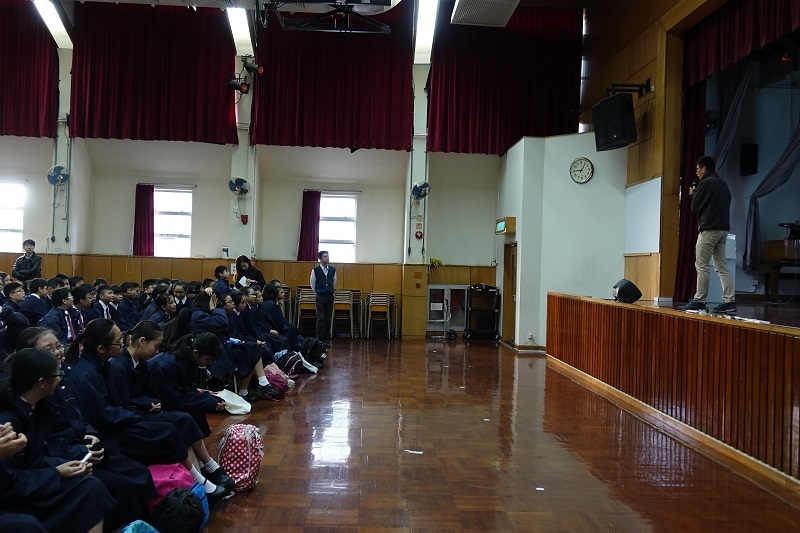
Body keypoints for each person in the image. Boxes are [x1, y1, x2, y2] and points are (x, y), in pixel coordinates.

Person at [15, 328, 157, 529]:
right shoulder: (33, 399)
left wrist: (89, 434)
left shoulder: (63, 377)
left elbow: (79, 416)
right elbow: (44, 447)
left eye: (58, 346)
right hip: (62, 460)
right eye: (49, 349)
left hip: (82, 447)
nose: (58, 352)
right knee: (116, 487)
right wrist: (78, 453)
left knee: (139, 473)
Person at [0, 348, 115, 533]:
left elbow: (38, 455)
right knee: (91, 489)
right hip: (17, 498)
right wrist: (56, 473)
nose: (61, 380)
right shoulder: (7, 423)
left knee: (91, 486)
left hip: (35, 480)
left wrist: (66, 466)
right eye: (58, 375)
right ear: (41, 382)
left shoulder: (36, 407)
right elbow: (10, 483)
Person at [679, 156, 736, 313]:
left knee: (702, 265)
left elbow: (695, 207)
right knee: (721, 266)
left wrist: (693, 194)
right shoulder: (723, 184)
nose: (697, 172)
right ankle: (729, 301)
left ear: (704, 168)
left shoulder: (705, 183)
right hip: (723, 230)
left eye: (698, 169)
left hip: (709, 229)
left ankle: (699, 300)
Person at [311, 250, 336, 343]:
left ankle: (326, 340)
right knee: (320, 318)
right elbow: (313, 283)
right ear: (320, 259)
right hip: (320, 296)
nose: (327, 258)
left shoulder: (333, 269)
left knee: (328, 319)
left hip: (329, 296)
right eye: (325, 256)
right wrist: (317, 293)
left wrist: (329, 289)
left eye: (328, 256)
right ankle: (319, 340)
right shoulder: (315, 270)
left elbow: (334, 281)